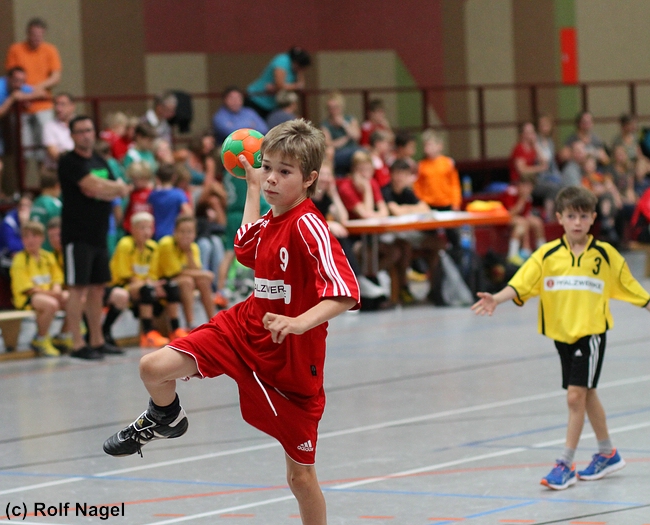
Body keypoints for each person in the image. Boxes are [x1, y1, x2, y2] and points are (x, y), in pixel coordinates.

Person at [103, 119, 359, 525]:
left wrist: (298, 323)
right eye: (267, 167)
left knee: (301, 479)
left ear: (310, 178)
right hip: (243, 328)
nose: (271, 178)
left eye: (284, 172)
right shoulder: (271, 219)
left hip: (290, 361)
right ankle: (165, 417)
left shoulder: (308, 225)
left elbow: (345, 291)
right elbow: (244, 247)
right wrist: (252, 189)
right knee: (153, 367)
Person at [472, 185, 649, 491]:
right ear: (559, 218)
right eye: (571, 216)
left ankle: (565, 464)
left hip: (591, 334)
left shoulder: (605, 255)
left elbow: (631, 288)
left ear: (593, 218)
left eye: (583, 216)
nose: (577, 222)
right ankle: (608, 453)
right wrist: (496, 299)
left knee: (575, 396)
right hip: (562, 336)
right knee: (587, 394)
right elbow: (521, 283)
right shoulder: (547, 255)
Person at [58, 115, 131, 360]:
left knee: (97, 289)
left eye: (89, 130)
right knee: (77, 289)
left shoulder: (100, 160)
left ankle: (97, 340)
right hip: (77, 235)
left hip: (99, 234)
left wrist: (106, 188)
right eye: (80, 131)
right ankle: (77, 344)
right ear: (72, 135)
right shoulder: (69, 161)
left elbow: (105, 189)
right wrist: (112, 187)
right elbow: (91, 185)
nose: (85, 135)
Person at [110, 211, 185, 347]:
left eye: (149, 228)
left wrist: (155, 284)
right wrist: (150, 284)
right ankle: (147, 333)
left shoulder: (152, 247)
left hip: (147, 283)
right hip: (123, 285)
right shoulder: (125, 244)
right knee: (147, 289)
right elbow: (126, 276)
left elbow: (153, 274)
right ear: (132, 229)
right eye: (142, 228)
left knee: (172, 287)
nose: (146, 232)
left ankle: (175, 329)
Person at [10, 220, 71, 357]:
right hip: (27, 298)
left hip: (48, 294)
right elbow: (28, 289)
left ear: (42, 238)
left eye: (34, 236)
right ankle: (40, 339)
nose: (30, 240)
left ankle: (62, 335)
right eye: (26, 236)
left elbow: (57, 278)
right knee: (51, 304)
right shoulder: (20, 259)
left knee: (72, 299)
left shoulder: (47, 257)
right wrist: (52, 294)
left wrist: (57, 289)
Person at [382, 159, 439, 304]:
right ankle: (402, 287)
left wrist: (406, 209)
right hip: (389, 235)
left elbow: (425, 209)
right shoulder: (385, 191)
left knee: (437, 244)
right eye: (397, 173)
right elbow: (396, 211)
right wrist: (411, 209)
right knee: (404, 247)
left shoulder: (408, 192)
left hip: (408, 233)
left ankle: (436, 288)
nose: (400, 178)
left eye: (404, 174)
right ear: (391, 175)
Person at [5, 17, 62, 160]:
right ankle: (24, 175)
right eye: (33, 34)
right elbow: (13, 77)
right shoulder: (16, 49)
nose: (36, 38)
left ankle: (44, 175)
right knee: (23, 149)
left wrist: (36, 89)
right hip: (21, 106)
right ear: (27, 33)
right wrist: (31, 93)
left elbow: (55, 77)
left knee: (46, 147)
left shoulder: (50, 50)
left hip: (43, 106)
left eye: (39, 35)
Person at [157, 215, 214, 329]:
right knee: (187, 281)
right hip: (162, 280)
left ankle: (214, 322)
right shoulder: (166, 244)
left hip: (181, 278)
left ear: (195, 234)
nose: (186, 235)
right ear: (174, 232)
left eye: (189, 232)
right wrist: (205, 274)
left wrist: (188, 253)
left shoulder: (193, 247)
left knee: (203, 281)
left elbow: (196, 271)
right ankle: (190, 324)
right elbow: (175, 273)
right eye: (182, 231)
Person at [246, 46, 311, 119]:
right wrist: (294, 86)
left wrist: (281, 87)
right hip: (256, 99)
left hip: (272, 104)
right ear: (296, 63)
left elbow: (301, 85)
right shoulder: (282, 61)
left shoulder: (297, 69)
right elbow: (280, 85)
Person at [502, 174, 546, 265]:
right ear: (520, 185)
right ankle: (512, 255)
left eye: (530, 187)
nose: (528, 189)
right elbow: (510, 214)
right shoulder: (511, 192)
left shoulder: (528, 197)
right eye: (526, 186)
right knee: (522, 223)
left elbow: (526, 215)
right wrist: (522, 199)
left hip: (520, 220)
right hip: (503, 218)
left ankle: (543, 252)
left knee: (537, 222)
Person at [320, 91, 361, 176]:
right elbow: (328, 143)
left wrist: (343, 124)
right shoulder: (325, 124)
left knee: (362, 153)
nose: (333, 110)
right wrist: (346, 138)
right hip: (337, 152)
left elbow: (357, 136)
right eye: (330, 108)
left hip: (352, 149)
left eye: (335, 107)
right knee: (329, 151)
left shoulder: (350, 119)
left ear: (341, 107)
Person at [147, 164, 192, 241]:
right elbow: (188, 213)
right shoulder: (178, 194)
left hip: (155, 234)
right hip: (172, 234)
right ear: (174, 177)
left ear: (158, 178)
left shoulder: (153, 195)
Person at [535, 115, 562, 221]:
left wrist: (559, 176)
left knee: (562, 185)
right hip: (538, 178)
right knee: (553, 188)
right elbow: (540, 163)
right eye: (542, 125)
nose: (545, 127)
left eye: (547, 125)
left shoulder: (550, 142)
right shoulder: (535, 142)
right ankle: (548, 216)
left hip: (550, 176)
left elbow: (552, 164)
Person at [30, 170, 62, 251]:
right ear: (57, 186)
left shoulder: (36, 202)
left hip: (37, 249)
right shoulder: (54, 204)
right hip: (51, 250)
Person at [42, 92, 75, 170]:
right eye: (56, 104)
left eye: (62, 104)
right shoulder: (49, 126)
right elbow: (54, 154)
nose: (58, 108)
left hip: (81, 167)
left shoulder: (81, 123)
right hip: (58, 169)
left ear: (72, 106)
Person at [122, 161, 154, 235]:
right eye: (133, 179)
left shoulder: (152, 193)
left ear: (146, 178)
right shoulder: (130, 192)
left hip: (147, 230)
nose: (134, 182)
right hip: (130, 229)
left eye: (137, 179)